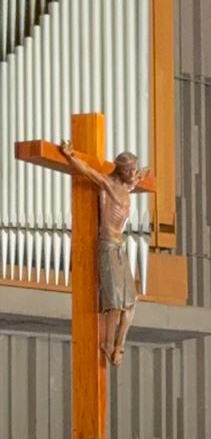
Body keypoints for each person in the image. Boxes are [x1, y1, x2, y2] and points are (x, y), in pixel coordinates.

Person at [59, 142, 149, 366]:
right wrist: (71, 156)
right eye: (129, 169)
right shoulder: (109, 184)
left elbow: (136, 180)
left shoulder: (128, 187)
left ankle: (119, 346)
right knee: (116, 302)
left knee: (132, 302)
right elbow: (88, 171)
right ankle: (108, 344)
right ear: (119, 169)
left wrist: (140, 175)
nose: (132, 173)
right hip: (107, 245)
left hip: (119, 246)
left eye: (134, 169)